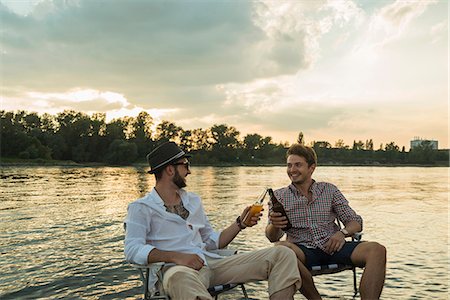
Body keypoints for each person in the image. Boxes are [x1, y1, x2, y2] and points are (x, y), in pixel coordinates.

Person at [124, 141, 301, 300]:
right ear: (170, 170)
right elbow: (132, 250)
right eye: (185, 165)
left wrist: (240, 223)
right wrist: (177, 257)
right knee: (180, 278)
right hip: (175, 270)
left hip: (212, 264)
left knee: (283, 255)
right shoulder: (141, 208)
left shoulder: (193, 201)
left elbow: (211, 242)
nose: (189, 171)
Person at [265, 143, 386, 300]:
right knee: (281, 249)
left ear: (311, 168)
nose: (292, 170)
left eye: (298, 165)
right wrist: (275, 225)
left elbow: (355, 221)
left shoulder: (329, 190)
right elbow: (272, 237)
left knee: (377, 250)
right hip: (302, 250)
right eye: (289, 165)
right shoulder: (279, 196)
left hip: (334, 245)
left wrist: (342, 233)